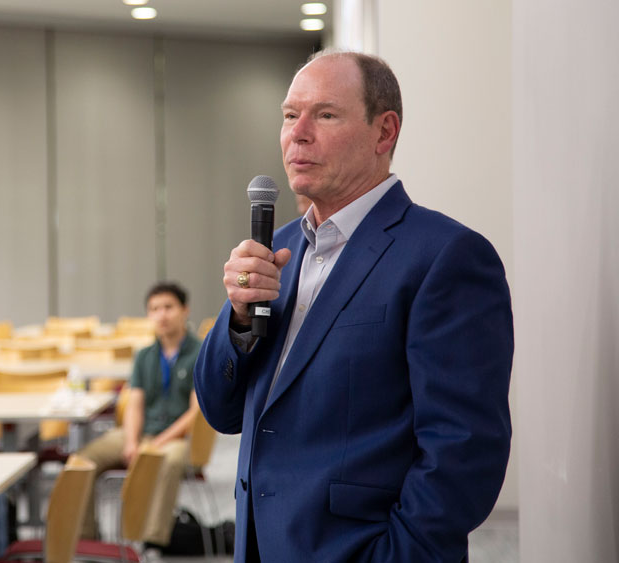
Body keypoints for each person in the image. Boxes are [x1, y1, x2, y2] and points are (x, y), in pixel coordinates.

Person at [194, 50, 513, 562]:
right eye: (289, 115)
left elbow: (464, 449)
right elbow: (220, 410)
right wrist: (236, 319)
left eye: (324, 114)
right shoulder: (280, 249)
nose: (297, 133)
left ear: (384, 132)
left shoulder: (445, 256)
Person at [77, 281, 202, 547]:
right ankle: (86, 539)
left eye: (168, 307)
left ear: (185, 310)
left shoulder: (199, 352)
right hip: (143, 432)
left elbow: (195, 414)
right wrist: (133, 442)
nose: (162, 315)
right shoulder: (145, 356)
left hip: (177, 440)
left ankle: (152, 541)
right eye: (154, 309)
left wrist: (157, 443)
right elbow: (134, 404)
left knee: (168, 461)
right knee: (84, 459)